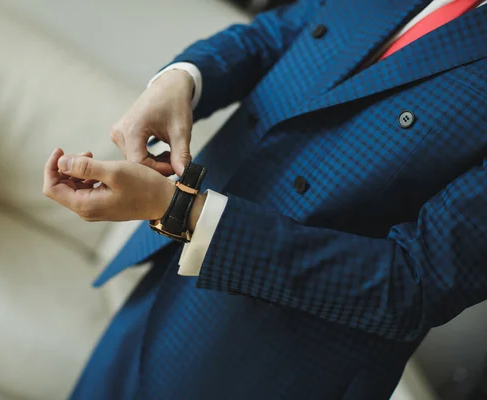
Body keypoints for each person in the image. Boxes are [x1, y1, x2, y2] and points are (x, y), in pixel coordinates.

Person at [43, 0, 487, 398]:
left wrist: (182, 211)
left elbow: (414, 283)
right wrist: (181, 78)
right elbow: (279, 32)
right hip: (168, 273)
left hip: (273, 361)